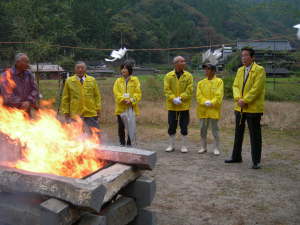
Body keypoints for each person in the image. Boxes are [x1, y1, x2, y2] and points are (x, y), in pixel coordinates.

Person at [225, 47, 266, 169]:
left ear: (252, 57)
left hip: (253, 108)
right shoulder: (240, 70)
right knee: (238, 133)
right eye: (242, 55)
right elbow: (235, 86)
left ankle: (256, 161)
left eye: (246, 55)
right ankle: (236, 156)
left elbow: (257, 89)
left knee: (255, 135)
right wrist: (238, 99)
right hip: (240, 108)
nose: (243, 58)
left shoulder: (259, 70)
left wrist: (245, 100)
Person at [61, 61, 101, 134]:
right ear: (74, 69)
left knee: (94, 133)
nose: (80, 70)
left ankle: (95, 145)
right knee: (76, 134)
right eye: (78, 68)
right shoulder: (69, 81)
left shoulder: (92, 80)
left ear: (85, 69)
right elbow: (65, 98)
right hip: (76, 112)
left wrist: (98, 109)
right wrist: (66, 112)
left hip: (90, 112)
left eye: (82, 68)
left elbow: (97, 96)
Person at [164, 56, 193, 153]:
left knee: (184, 125)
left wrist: (180, 98)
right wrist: (173, 98)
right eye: (182, 61)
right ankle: (171, 145)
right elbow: (167, 90)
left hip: (184, 106)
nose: (184, 63)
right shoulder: (168, 76)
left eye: (184, 61)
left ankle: (184, 146)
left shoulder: (188, 76)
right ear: (176, 63)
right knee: (171, 125)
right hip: (172, 106)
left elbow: (189, 90)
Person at [196, 63, 224, 155]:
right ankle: (203, 147)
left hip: (213, 110)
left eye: (208, 69)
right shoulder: (201, 83)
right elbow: (198, 95)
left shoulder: (219, 81)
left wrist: (212, 102)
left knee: (215, 130)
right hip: (203, 110)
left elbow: (219, 95)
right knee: (202, 130)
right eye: (205, 69)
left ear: (213, 71)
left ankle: (216, 148)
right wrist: (204, 101)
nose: (206, 71)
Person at [113, 61, 142, 146]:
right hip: (121, 107)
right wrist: (122, 99)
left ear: (129, 70)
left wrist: (132, 100)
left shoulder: (135, 80)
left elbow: (138, 93)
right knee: (121, 127)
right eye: (122, 68)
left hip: (131, 107)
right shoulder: (118, 81)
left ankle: (130, 143)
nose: (123, 70)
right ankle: (122, 143)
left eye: (125, 68)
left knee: (130, 126)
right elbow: (116, 92)